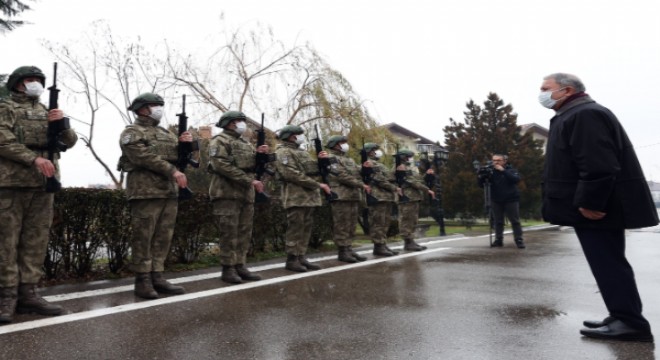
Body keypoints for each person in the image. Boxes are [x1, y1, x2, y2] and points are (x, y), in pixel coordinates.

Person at [540, 73, 658, 342]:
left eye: (546, 88)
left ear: (567, 90)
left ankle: (630, 323)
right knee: (608, 264)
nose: (542, 93)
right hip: (597, 207)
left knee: (608, 264)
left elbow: (598, 164)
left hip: (597, 209)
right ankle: (622, 315)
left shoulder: (583, 115)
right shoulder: (575, 113)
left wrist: (590, 202)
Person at [0, 65, 77, 323]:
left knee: (36, 240)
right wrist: (33, 158)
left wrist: (62, 123)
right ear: (17, 84)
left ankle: (29, 294)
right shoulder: (5, 107)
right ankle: (6, 297)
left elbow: (70, 140)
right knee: (6, 242)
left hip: (44, 184)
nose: (35, 84)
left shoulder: (46, 111)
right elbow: (3, 139)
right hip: (10, 183)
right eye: (29, 80)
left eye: (37, 80)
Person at [119, 93, 190, 299]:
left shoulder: (165, 133)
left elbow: (181, 159)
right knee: (144, 236)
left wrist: (186, 146)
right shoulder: (132, 132)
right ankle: (142, 280)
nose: (159, 108)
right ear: (142, 109)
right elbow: (142, 156)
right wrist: (172, 171)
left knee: (163, 236)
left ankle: (157, 276)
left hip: (168, 191)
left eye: (160, 105)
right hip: (145, 191)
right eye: (154, 105)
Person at [208, 110, 269, 284]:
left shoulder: (245, 143)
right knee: (229, 232)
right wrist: (249, 181)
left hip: (245, 194)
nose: (243, 124)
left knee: (244, 232)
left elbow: (252, 166)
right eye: (239, 121)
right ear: (229, 123)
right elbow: (221, 165)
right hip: (226, 193)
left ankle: (240, 265)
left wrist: (260, 156)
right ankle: (228, 269)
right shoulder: (219, 141)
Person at [274, 125, 332, 272]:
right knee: (296, 227)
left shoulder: (302, 152)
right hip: (296, 196)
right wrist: (317, 184)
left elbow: (312, 171)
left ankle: (301, 256)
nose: (301, 136)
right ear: (290, 136)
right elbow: (291, 174)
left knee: (306, 228)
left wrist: (322, 162)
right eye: (298, 134)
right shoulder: (282, 152)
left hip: (309, 197)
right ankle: (292, 259)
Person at [325, 135, 370, 263]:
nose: (345, 145)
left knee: (351, 224)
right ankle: (342, 251)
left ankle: (349, 248)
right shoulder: (331, 158)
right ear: (335, 145)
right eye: (342, 142)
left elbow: (356, 173)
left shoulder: (348, 159)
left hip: (352, 196)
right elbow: (341, 175)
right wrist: (361, 185)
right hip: (340, 196)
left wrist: (365, 168)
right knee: (341, 224)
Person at [478, 154, 525, 248]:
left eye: (498, 160)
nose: (496, 162)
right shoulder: (490, 172)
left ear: (504, 161)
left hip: (511, 199)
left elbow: (516, 179)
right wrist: (481, 176)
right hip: (496, 199)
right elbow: (481, 185)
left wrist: (503, 171)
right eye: (494, 160)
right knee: (498, 221)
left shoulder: (511, 170)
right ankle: (498, 239)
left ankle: (519, 240)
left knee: (515, 221)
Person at [364, 143, 400, 256]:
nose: (376, 152)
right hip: (377, 196)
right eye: (374, 150)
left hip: (386, 197)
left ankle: (383, 244)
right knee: (378, 223)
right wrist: (394, 188)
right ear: (369, 151)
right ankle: (378, 246)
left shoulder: (379, 164)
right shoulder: (369, 163)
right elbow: (379, 179)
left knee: (384, 222)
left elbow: (390, 177)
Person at [395, 149, 434, 251]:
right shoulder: (399, 168)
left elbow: (419, 180)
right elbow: (411, 182)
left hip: (414, 197)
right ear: (402, 157)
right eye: (407, 156)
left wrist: (427, 175)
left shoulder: (410, 168)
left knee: (413, 220)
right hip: (406, 197)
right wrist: (427, 190)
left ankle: (411, 241)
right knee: (406, 220)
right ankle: (408, 241)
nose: (409, 158)